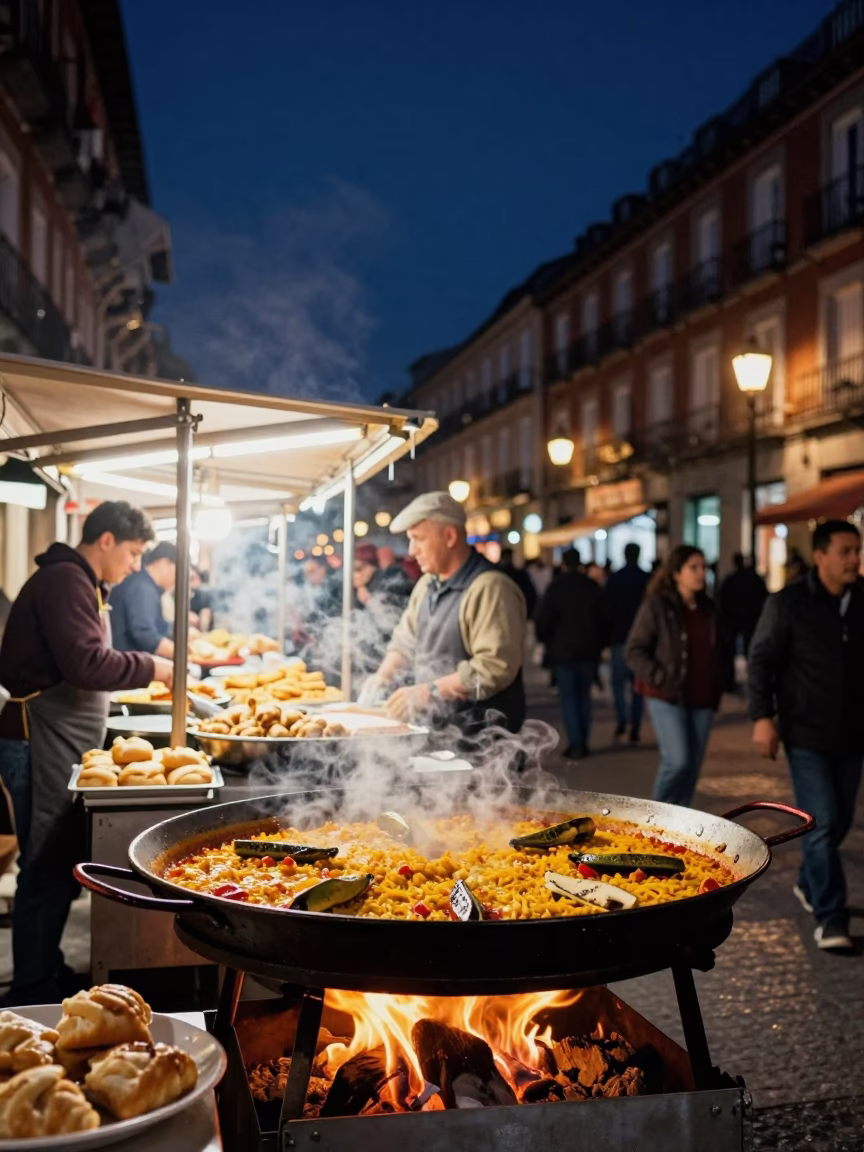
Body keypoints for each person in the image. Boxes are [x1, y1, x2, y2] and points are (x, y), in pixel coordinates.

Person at [0, 501, 173, 1004]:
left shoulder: (82, 582)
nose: (136, 565)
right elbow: (85, 664)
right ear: (106, 541)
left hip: (60, 739)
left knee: (54, 861)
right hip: (38, 739)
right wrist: (150, 667)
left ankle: (45, 968)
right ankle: (32, 990)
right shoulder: (64, 581)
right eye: (134, 553)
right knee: (45, 865)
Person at [748, 520, 864, 952]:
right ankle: (831, 918)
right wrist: (762, 717)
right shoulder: (790, 602)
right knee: (824, 821)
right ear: (820, 556)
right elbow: (761, 661)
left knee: (840, 823)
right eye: (846, 551)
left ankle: (807, 881)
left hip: (853, 734)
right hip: (806, 733)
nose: (855, 559)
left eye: (858, 551)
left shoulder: (861, 599)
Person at [360, 492, 527, 733]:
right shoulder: (426, 584)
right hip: (439, 731)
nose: (411, 550)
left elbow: (494, 667)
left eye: (418, 539)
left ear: (449, 536)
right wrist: (382, 677)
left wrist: (429, 692)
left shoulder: (489, 587)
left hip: (482, 739)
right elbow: (405, 640)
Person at [626, 546, 722, 806]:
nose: (701, 573)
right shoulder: (658, 605)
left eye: (704, 567)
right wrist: (657, 676)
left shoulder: (709, 608)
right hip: (666, 694)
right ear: (676, 573)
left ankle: (680, 828)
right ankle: (654, 820)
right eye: (694, 567)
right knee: (677, 761)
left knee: (692, 768)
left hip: (702, 696)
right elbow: (634, 650)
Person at [535, 548, 605, 760]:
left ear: (563, 564)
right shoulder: (591, 587)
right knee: (584, 697)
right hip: (589, 651)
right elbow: (605, 618)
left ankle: (576, 743)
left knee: (568, 698)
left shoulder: (556, 587)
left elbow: (543, 620)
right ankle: (582, 739)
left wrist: (546, 641)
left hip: (563, 652)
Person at [604, 542, 650, 742]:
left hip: (620, 638)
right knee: (637, 686)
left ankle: (623, 719)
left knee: (618, 683)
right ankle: (635, 724)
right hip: (642, 641)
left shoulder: (615, 579)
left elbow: (607, 609)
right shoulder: (646, 579)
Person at [109, 541, 177, 657]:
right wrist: (183, 654)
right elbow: (144, 634)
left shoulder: (147, 586)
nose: (177, 578)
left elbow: (159, 625)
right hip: (127, 663)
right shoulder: (142, 587)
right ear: (164, 563)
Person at [718, 552, 768, 691]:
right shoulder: (753, 580)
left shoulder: (731, 581)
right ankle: (754, 681)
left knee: (736, 651)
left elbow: (722, 600)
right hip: (747, 619)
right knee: (750, 651)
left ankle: (734, 682)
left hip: (737, 619)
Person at [497, 548, 537, 619]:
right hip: (517, 612)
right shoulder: (520, 575)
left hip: (503, 613)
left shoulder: (497, 575)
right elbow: (530, 594)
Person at [190, 566, 214, 633]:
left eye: (196, 577)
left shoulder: (203, 595)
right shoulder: (173, 595)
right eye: (192, 578)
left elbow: (206, 612)